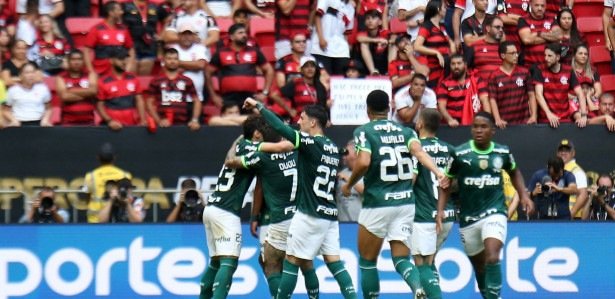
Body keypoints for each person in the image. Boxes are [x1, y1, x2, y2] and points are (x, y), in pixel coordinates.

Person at [242, 98, 358, 299]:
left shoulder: (309, 142)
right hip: (330, 214)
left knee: (292, 261)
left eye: (302, 118)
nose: (299, 121)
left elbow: (279, 127)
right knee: (335, 263)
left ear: (313, 123)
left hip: (310, 213)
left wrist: (259, 107)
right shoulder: (331, 146)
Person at [341, 89, 448, 299]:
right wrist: (438, 171)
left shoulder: (364, 131)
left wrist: (349, 184)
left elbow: (363, 162)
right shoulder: (407, 132)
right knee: (401, 259)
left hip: (377, 203)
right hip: (405, 203)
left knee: (367, 262)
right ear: (390, 108)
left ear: (368, 110)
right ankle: (417, 288)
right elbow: (419, 152)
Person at [437, 111, 534, 299]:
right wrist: (440, 210)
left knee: (492, 256)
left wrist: (523, 195)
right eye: (475, 126)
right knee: (480, 269)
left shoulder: (502, 152)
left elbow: (514, 172)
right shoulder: (459, 153)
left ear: (493, 130)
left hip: (495, 212)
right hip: (468, 218)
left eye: (483, 127)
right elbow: (446, 183)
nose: (478, 130)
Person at [224, 122, 321, 298]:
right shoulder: (300, 153)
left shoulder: (263, 158)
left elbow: (232, 163)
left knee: (270, 263)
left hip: (278, 219)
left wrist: (237, 144)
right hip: (303, 216)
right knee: (306, 264)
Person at [199, 115, 260, 299]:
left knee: (215, 262)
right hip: (226, 212)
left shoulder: (239, 144)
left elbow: (232, 152)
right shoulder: (255, 149)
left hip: (211, 207)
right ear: (257, 134)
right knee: (229, 263)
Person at [411, 108, 456, 299]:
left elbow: (411, 180)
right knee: (430, 262)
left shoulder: (415, 148)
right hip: (447, 216)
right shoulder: (450, 149)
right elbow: (456, 183)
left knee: (422, 265)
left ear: (420, 124)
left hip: (424, 216)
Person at [206, 23, 274, 111]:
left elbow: (269, 70)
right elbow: (207, 72)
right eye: (240, 33)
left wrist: (265, 93)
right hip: (228, 97)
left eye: (245, 33)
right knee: (231, 122)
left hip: (249, 96)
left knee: (249, 122)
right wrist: (213, 96)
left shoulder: (254, 51)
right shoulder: (221, 52)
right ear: (231, 37)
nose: (244, 35)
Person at [532, 43, 587, 128]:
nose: (546, 58)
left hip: (565, 119)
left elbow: (580, 93)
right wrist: (548, 114)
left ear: (557, 57)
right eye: (545, 55)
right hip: (546, 120)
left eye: (550, 56)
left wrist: (583, 116)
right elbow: (538, 95)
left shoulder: (568, 70)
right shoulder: (539, 70)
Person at [145, 48, 201, 130]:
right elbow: (149, 102)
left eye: (175, 59)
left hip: (182, 125)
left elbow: (196, 100)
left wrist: (194, 120)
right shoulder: (156, 80)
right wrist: (158, 120)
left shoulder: (187, 81)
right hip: (162, 126)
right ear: (164, 60)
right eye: (169, 58)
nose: (172, 61)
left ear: (179, 60)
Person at [96, 48, 147, 130]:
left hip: (132, 126)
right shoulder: (103, 81)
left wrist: (142, 119)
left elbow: (139, 100)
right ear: (111, 61)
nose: (124, 62)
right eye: (120, 59)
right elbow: (99, 105)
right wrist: (110, 121)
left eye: (125, 59)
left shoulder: (133, 78)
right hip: (111, 128)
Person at [488, 41, 536, 128]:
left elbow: (531, 95)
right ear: (503, 55)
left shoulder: (525, 72)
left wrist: (533, 116)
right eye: (512, 53)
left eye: (516, 53)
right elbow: (492, 99)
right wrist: (497, 119)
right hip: (504, 124)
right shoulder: (494, 76)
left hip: (524, 123)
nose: (516, 56)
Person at [84, 142, 132, 223]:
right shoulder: (125, 175)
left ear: (98, 158)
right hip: (119, 220)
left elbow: (87, 197)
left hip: (95, 220)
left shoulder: (90, 176)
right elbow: (128, 198)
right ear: (114, 158)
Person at [436, 54, 490, 127]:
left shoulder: (477, 81)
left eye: (459, 63)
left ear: (465, 65)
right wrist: (450, 120)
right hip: (452, 125)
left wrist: (487, 120)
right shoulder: (445, 84)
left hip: (474, 125)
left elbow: (485, 101)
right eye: (453, 64)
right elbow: (441, 106)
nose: (456, 66)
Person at [83, 1, 136, 75]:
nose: (122, 12)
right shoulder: (96, 29)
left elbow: (131, 49)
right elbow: (86, 51)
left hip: (119, 72)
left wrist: (129, 66)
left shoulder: (124, 29)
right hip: (101, 71)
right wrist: (91, 70)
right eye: (119, 10)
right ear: (111, 13)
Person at [269, 56, 327, 121]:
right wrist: (289, 110)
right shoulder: (296, 83)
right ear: (301, 70)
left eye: (312, 66)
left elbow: (322, 106)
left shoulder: (319, 86)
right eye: (306, 66)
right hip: (299, 122)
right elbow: (274, 95)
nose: (310, 69)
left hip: (315, 122)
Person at [414, 0, 456, 88]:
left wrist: (452, 55)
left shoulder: (442, 27)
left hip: (445, 68)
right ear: (438, 9)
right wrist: (436, 53)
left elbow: (451, 43)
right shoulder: (426, 26)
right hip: (433, 70)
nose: (446, 10)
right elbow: (417, 46)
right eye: (444, 7)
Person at [310, 0, 354, 75]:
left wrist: (347, 49)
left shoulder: (351, 8)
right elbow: (317, 17)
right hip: (321, 49)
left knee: (339, 81)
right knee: (323, 80)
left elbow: (347, 32)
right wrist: (321, 38)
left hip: (341, 51)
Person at [2, 62, 52, 127]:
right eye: (27, 73)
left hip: (38, 123)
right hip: (19, 123)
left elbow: (48, 108)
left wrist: (45, 120)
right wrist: (13, 120)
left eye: (32, 72)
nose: (30, 75)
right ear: (20, 75)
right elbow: (6, 110)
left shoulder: (43, 89)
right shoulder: (13, 90)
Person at [121, 0, 164, 75]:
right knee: (130, 75)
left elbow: (167, 20)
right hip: (130, 46)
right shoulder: (125, 6)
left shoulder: (155, 6)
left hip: (149, 46)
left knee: (144, 77)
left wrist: (161, 36)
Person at [56, 49, 98, 126]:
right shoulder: (61, 77)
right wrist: (86, 95)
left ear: (83, 61)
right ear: (68, 61)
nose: (76, 62)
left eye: (79, 59)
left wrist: (71, 90)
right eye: (73, 59)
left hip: (89, 122)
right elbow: (64, 96)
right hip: (68, 122)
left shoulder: (90, 75)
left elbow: (93, 91)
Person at [170, 24, 208, 102]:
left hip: (197, 97)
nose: (187, 37)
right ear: (178, 36)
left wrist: (178, 63)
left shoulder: (200, 48)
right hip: (176, 96)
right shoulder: (172, 48)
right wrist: (193, 66)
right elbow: (168, 69)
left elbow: (200, 65)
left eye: (189, 34)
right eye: (184, 34)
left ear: (194, 36)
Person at [517, 0, 559, 68]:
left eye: (542, 6)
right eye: (536, 5)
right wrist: (549, 37)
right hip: (529, 65)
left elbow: (557, 36)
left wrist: (538, 34)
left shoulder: (552, 18)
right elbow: (527, 40)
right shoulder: (523, 20)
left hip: (549, 65)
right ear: (530, 4)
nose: (540, 8)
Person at [556, 139, 589, 220]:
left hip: (572, 217)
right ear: (557, 153)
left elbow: (583, 194)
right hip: (556, 216)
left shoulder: (577, 171)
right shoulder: (555, 170)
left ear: (573, 153)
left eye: (567, 150)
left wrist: (571, 214)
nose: (563, 153)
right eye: (561, 150)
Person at [465, 16, 504, 82]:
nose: (501, 30)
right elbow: (465, 68)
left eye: (502, 28)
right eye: (497, 27)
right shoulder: (475, 46)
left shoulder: (504, 47)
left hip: (500, 88)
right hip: (480, 88)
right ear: (488, 28)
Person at [357, 9, 392, 76]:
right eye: (368, 18)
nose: (370, 21)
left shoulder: (383, 32)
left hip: (382, 62)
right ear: (364, 22)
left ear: (380, 22)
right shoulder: (363, 32)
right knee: (363, 43)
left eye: (373, 18)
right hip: (365, 65)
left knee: (392, 45)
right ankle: (373, 72)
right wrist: (377, 40)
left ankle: (391, 71)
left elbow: (394, 39)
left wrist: (386, 42)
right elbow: (359, 38)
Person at [570, 44, 602, 118]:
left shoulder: (593, 71)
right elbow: (564, 92)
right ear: (574, 55)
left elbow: (598, 91)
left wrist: (591, 98)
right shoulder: (568, 71)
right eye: (580, 53)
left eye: (586, 54)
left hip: (591, 101)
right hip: (574, 102)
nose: (583, 56)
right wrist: (578, 99)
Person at [336, 140, 363, 222]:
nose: (343, 157)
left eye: (346, 153)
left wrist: (349, 180)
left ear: (356, 154)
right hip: (342, 224)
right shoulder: (340, 174)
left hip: (361, 224)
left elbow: (369, 193)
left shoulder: (367, 173)